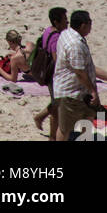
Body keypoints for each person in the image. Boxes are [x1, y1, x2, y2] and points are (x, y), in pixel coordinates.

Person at [52, 10, 107, 141]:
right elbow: (79, 72)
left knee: (87, 121)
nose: (91, 27)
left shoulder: (66, 33)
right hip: (71, 92)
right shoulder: (75, 45)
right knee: (65, 128)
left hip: (76, 90)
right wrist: (93, 91)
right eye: (90, 23)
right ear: (83, 25)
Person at [33, 8, 69, 140]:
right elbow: (57, 59)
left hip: (49, 74)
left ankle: (40, 117)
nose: (67, 21)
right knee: (57, 109)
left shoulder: (48, 30)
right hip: (55, 77)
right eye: (65, 19)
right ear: (56, 21)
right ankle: (52, 137)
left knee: (56, 104)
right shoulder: (56, 38)